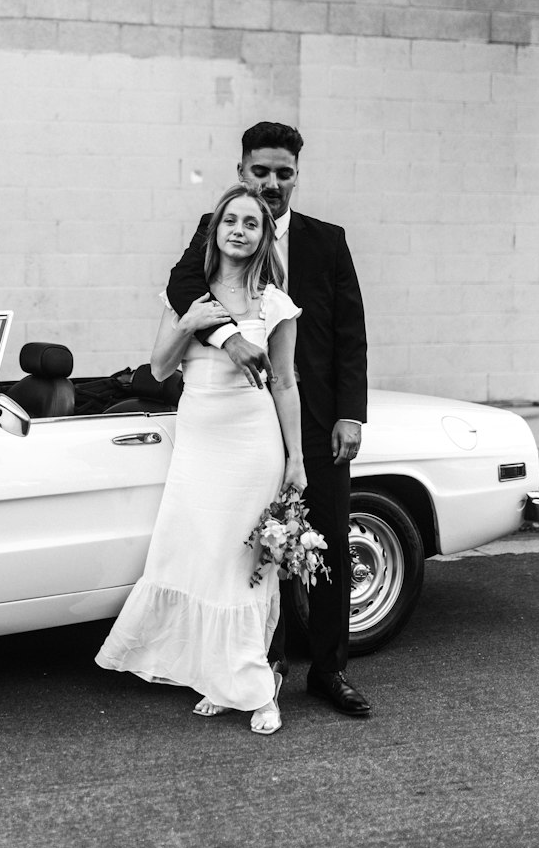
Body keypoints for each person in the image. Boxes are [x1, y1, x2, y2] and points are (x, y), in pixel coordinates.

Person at [165, 121, 371, 719]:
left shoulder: (327, 241)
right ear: (242, 173)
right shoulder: (219, 230)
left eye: (284, 173)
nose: (273, 183)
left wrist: (350, 416)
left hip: (316, 419)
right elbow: (180, 289)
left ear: (296, 177)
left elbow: (349, 336)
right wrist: (227, 335)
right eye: (262, 172)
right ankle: (265, 667)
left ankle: (330, 671)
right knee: (258, 549)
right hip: (251, 427)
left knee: (326, 541)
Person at [96, 185, 305, 734]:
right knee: (197, 558)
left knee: (239, 567)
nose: (239, 229)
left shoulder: (275, 303)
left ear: (264, 237)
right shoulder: (186, 299)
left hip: (252, 446)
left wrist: (297, 459)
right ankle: (218, 678)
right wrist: (188, 322)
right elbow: (161, 369)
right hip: (198, 447)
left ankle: (259, 690)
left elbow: (285, 383)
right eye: (229, 221)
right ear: (214, 232)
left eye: (251, 224)